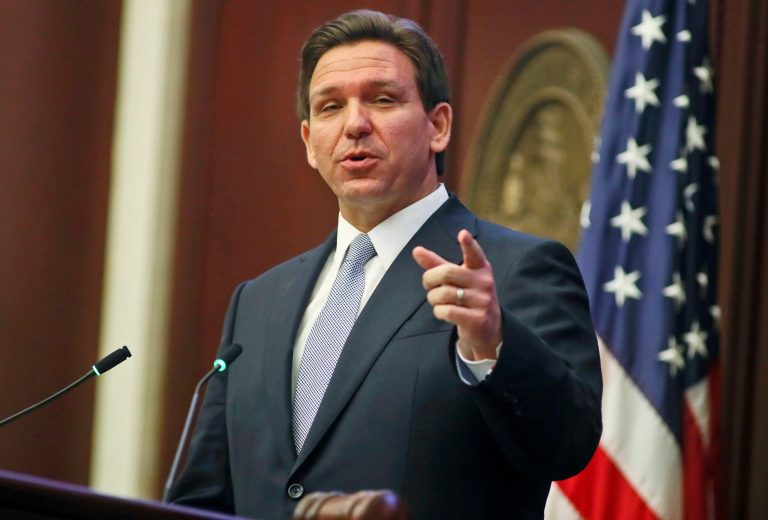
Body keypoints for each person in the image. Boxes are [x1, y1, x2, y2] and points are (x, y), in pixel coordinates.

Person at [168, 9, 602, 520]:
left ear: (438, 126)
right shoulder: (258, 303)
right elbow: (203, 499)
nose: (354, 124)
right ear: (310, 143)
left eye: (382, 99)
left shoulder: (513, 271)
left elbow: (567, 446)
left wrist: (492, 343)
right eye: (330, 107)